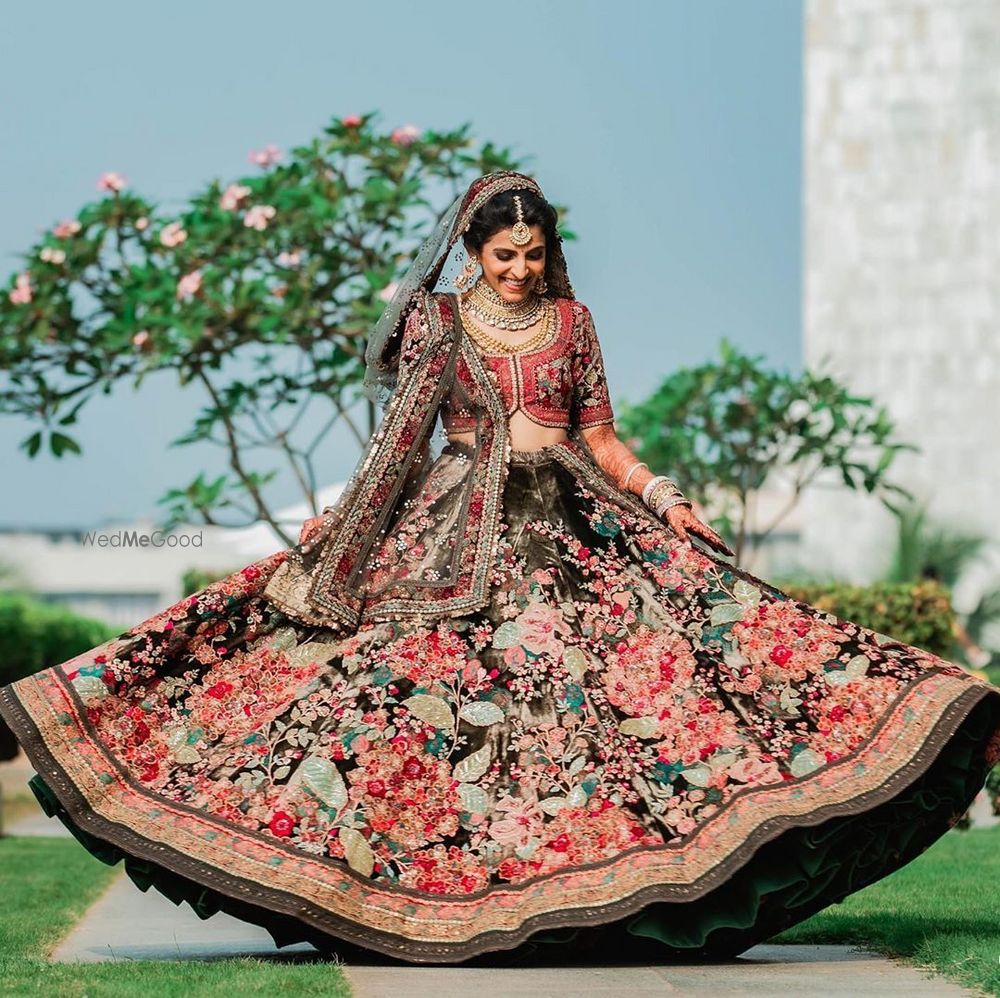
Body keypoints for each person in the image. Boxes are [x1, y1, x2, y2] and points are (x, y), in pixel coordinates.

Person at [2, 170, 998, 965]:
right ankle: (418, 890)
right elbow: (401, 443)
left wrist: (661, 496)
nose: (521, 270)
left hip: (579, 528)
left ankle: (599, 902)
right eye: (504, 255)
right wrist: (341, 535)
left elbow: (601, 435)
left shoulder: (574, 323)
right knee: (405, 697)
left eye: (533, 254)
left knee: (652, 688)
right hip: (453, 533)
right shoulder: (439, 322)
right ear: (473, 252)